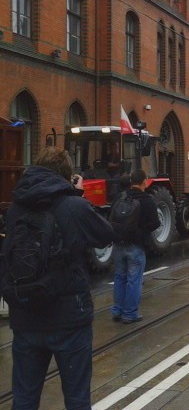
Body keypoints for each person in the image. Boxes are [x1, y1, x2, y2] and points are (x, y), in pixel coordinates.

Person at [1, 146, 114, 409]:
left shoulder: (16, 208)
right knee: (76, 399)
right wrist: (77, 194)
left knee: (25, 398)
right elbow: (105, 234)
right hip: (69, 320)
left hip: (26, 316)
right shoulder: (74, 205)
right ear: (66, 175)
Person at [111, 169, 160, 324]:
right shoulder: (147, 200)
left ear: (131, 181)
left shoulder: (121, 197)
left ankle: (117, 310)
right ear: (144, 181)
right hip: (136, 246)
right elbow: (154, 224)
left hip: (118, 244)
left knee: (119, 278)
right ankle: (130, 313)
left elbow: (111, 216)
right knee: (134, 280)